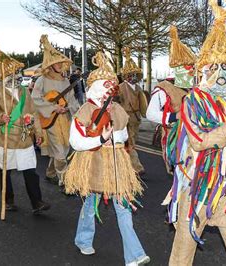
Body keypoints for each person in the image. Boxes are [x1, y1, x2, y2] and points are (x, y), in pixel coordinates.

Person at [166, 1, 226, 265]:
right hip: (198, 189)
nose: (220, 73)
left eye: (223, 67)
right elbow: (198, 141)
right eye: (213, 67)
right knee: (183, 250)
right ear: (203, 70)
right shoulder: (192, 101)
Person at [64, 52, 149, 266]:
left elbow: (124, 135)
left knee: (124, 207)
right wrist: (99, 139)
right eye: (102, 85)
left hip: (117, 165)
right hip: (93, 164)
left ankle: (134, 255)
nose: (106, 91)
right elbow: (76, 142)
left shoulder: (118, 109)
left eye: (109, 86)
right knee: (90, 204)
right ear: (92, 88)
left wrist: (114, 136)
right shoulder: (85, 111)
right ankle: (83, 239)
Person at [0, 40, 50, 214]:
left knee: (30, 171)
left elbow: (34, 112)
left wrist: (38, 132)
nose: (15, 76)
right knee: (5, 172)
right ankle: (8, 200)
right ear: (4, 75)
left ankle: (37, 202)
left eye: (17, 73)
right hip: (4, 137)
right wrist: (0, 117)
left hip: (24, 138)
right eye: (11, 74)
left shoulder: (24, 91)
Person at [146, 25, 196, 174]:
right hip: (175, 141)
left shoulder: (195, 88)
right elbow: (150, 113)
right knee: (181, 178)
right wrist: (174, 116)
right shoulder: (164, 88)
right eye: (188, 68)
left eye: (192, 67)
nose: (192, 71)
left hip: (196, 139)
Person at [32, 34, 79, 187]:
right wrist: (53, 107)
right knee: (59, 152)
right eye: (56, 62)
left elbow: (72, 100)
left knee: (64, 150)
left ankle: (51, 173)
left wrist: (72, 111)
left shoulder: (66, 81)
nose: (59, 65)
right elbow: (35, 99)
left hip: (64, 120)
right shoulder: (42, 80)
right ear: (50, 65)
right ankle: (65, 182)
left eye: (61, 62)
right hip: (50, 121)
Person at [117, 47, 148, 175]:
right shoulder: (120, 88)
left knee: (131, 141)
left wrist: (144, 113)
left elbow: (143, 104)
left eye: (135, 74)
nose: (133, 77)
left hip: (136, 118)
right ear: (126, 76)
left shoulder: (138, 88)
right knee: (130, 142)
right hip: (125, 118)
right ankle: (137, 167)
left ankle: (125, 166)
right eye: (131, 75)